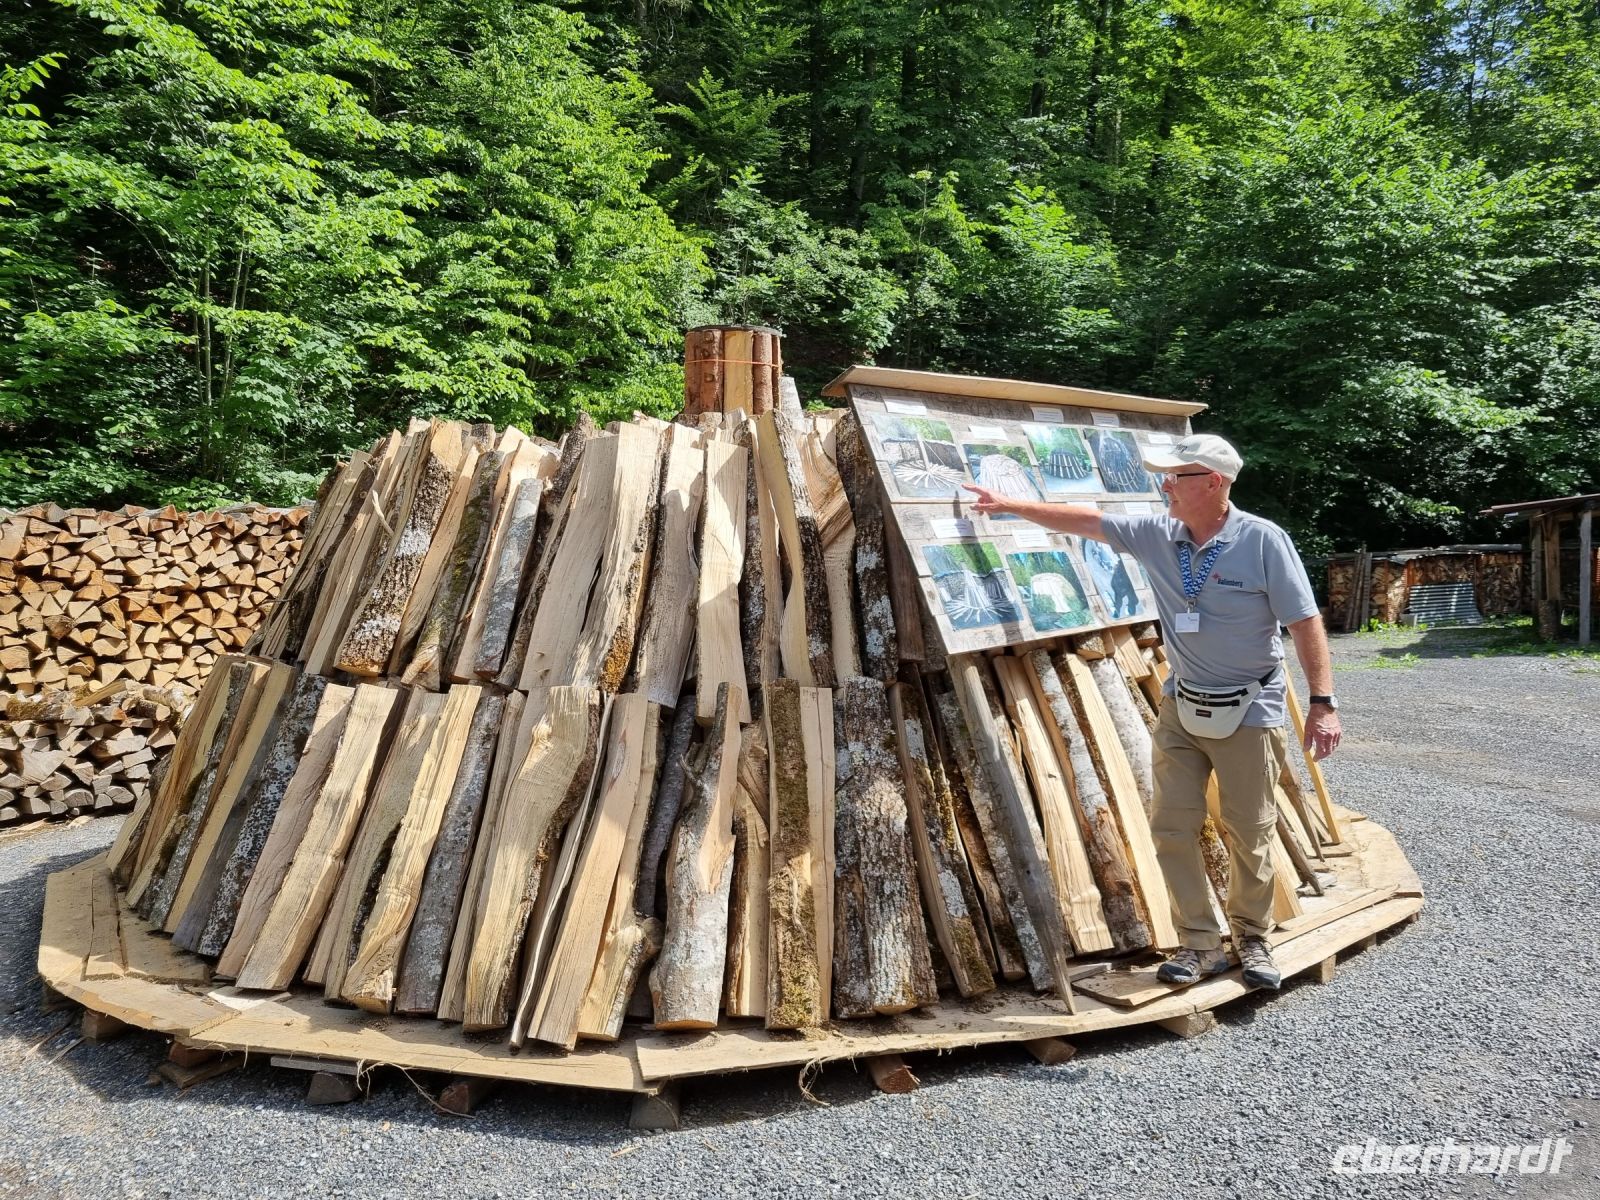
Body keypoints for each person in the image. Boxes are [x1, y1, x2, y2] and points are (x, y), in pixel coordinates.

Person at [964, 432, 1341, 990]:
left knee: (1249, 829)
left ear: (1213, 483)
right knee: (1170, 826)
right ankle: (1199, 945)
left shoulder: (1263, 541)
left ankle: (1252, 937)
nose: (1163, 485)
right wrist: (1007, 505)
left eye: (1175, 476)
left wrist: (1322, 703)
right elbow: (1085, 521)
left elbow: (1306, 622)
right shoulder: (1157, 533)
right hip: (1183, 706)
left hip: (1250, 708)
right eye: (1162, 476)